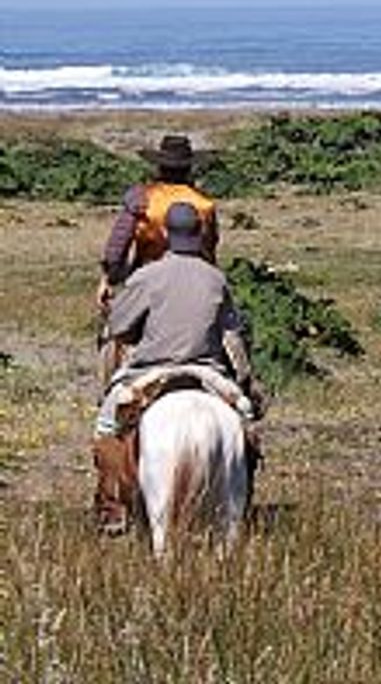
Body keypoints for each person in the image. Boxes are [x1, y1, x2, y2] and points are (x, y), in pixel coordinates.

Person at [92, 201, 256, 534]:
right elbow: (232, 337)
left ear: (166, 233)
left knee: (106, 427)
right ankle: (243, 495)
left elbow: (119, 327)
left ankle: (114, 508)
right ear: (199, 234)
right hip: (207, 372)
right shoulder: (216, 279)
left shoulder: (147, 276)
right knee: (247, 427)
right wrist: (246, 381)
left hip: (151, 372)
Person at [95, 134, 217, 313]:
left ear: (159, 167)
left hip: (148, 276)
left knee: (121, 329)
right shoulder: (205, 204)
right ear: (189, 168)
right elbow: (211, 246)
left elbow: (118, 244)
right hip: (196, 279)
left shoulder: (141, 198)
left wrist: (109, 278)